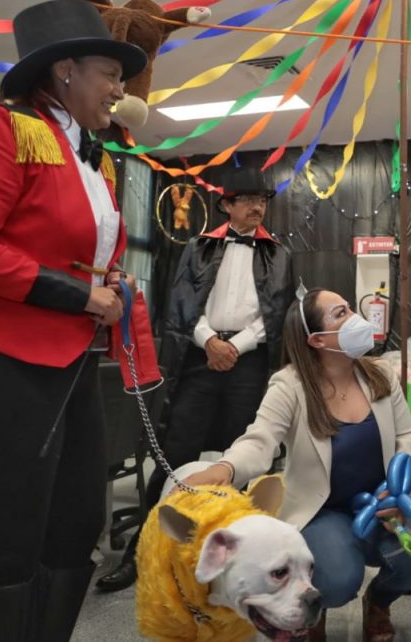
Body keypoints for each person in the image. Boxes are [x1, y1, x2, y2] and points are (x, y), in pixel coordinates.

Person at [0, 0, 156, 640]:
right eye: (111, 74)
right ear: (65, 71)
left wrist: (108, 280)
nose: (121, 90)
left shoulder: (93, 157)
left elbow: (82, 252)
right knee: (13, 537)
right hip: (1, 365)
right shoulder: (7, 128)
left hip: (72, 364)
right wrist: (79, 295)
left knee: (78, 525)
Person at [180, 287, 411, 642]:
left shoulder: (380, 374)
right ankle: (313, 610)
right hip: (321, 510)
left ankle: (379, 602)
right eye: (341, 314)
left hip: (382, 503)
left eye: (349, 308)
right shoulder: (290, 385)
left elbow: (407, 439)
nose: (355, 318)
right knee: (335, 579)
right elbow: (260, 439)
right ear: (317, 340)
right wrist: (224, 469)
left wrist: (401, 492)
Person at [97, 166, 293, 592]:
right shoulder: (198, 247)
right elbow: (182, 305)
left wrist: (235, 346)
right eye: (248, 200)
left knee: (242, 458)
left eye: (262, 200)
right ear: (226, 205)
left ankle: (239, 557)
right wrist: (211, 343)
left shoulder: (278, 254)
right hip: (200, 359)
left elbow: (275, 315)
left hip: (248, 365)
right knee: (175, 453)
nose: (257, 207)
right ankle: (142, 553)